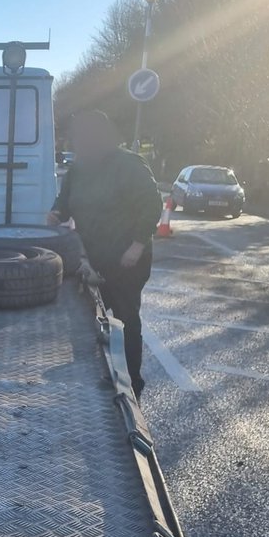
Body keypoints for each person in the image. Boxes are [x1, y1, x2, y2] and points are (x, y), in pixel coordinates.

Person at [48, 110, 162, 397]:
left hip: (127, 261)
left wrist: (137, 246)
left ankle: (132, 384)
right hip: (91, 259)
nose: (78, 142)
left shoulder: (129, 164)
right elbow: (64, 202)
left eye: (83, 136)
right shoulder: (79, 169)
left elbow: (151, 204)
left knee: (125, 320)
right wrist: (56, 213)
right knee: (86, 320)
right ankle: (91, 379)